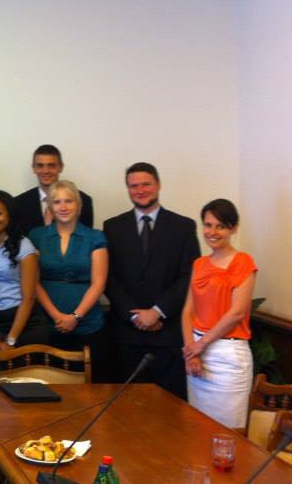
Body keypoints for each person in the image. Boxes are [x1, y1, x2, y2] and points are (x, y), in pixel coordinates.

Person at [104, 163, 199, 399]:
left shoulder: (183, 226)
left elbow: (189, 275)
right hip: (127, 335)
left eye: (146, 184)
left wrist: (157, 311)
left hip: (168, 334)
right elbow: (108, 277)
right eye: (134, 186)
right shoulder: (112, 227)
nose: (140, 190)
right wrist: (135, 316)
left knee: (170, 408)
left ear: (158, 185)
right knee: (126, 408)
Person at [181, 199, 257, 429]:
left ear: (233, 229)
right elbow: (188, 311)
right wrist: (192, 353)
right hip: (197, 352)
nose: (212, 232)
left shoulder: (243, 261)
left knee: (228, 432)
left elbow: (237, 313)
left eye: (220, 226)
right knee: (197, 427)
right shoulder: (199, 264)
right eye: (208, 225)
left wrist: (200, 345)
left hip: (227, 355)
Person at [32, 179, 110, 382]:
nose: (63, 207)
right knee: (49, 385)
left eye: (69, 201)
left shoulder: (95, 237)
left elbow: (99, 283)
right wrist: (57, 316)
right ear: (50, 207)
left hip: (88, 325)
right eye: (57, 202)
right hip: (47, 325)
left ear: (78, 205)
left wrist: (75, 316)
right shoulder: (37, 236)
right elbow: (33, 282)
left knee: (90, 387)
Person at [0, 190, 46, 354]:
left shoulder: (25, 247)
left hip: (26, 325)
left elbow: (28, 297)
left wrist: (11, 340)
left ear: (9, 215)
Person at [14, 145, 94, 234]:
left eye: (51, 165)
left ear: (61, 167)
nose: (45, 171)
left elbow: (87, 237)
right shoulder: (18, 203)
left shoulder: (83, 200)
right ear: (34, 168)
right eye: (40, 166)